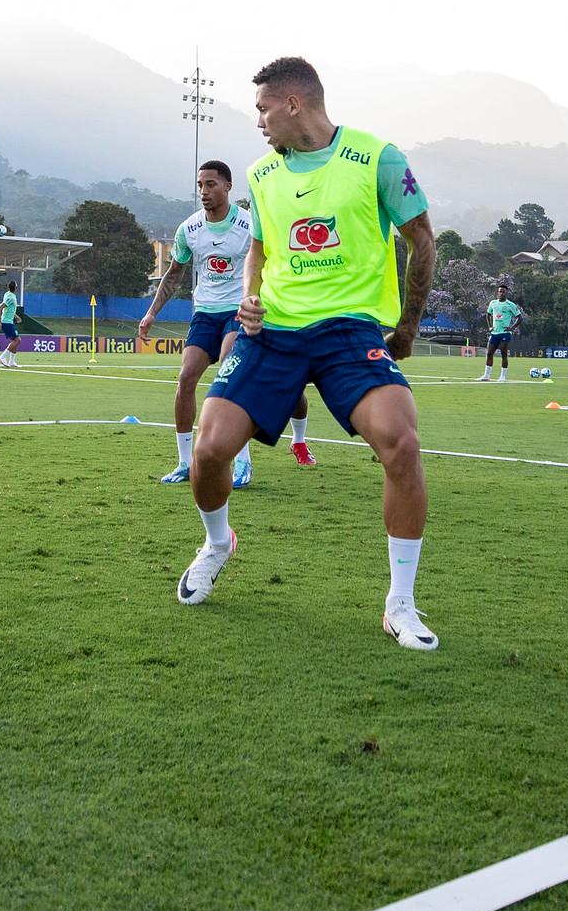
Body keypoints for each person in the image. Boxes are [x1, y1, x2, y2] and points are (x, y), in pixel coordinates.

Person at [173, 57, 440, 655]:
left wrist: (407, 327)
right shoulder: (262, 173)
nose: (260, 121)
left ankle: (400, 601)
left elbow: (421, 239)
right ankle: (218, 543)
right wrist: (248, 298)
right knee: (212, 449)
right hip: (275, 332)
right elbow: (260, 253)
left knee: (401, 440)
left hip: (349, 332)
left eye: (264, 108)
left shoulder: (378, 157)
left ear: (294, 104)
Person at [140, 161, 311, 487]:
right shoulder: (189, 229)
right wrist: (151, 313)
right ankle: (185, 463)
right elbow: (174, 274)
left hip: (239, 309)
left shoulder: (249, 226)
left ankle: (242, 462)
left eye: (211, 185)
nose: (204, 192)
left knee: (229, 374)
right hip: (205, 312)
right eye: (200, 185)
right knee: (186, 376)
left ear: (228, 187)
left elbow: (270, 265)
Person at [477, 282, 522, 381]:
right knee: (489, 353)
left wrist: (512, 328)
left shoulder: (510, 305)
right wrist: (490, 327)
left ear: (506, 293)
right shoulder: (493, 303)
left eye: (503, 292)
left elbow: (519, 318)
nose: (501, 293)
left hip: (505, 333)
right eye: (499, 292)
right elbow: (488, 314)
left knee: (504, 354)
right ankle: (486, 375)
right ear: (497, 293)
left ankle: (503, 377)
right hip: (494, 333)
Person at [0, 279, 22, 369]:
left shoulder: (7, 294)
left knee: (14, 341)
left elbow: (8, 308)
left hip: (9, 321)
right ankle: (2, 357)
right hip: (6, 322)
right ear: (15, 288)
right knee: (18, 340)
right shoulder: (10, 297)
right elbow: (0, 308)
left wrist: (16, 316)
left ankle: (12, 361)